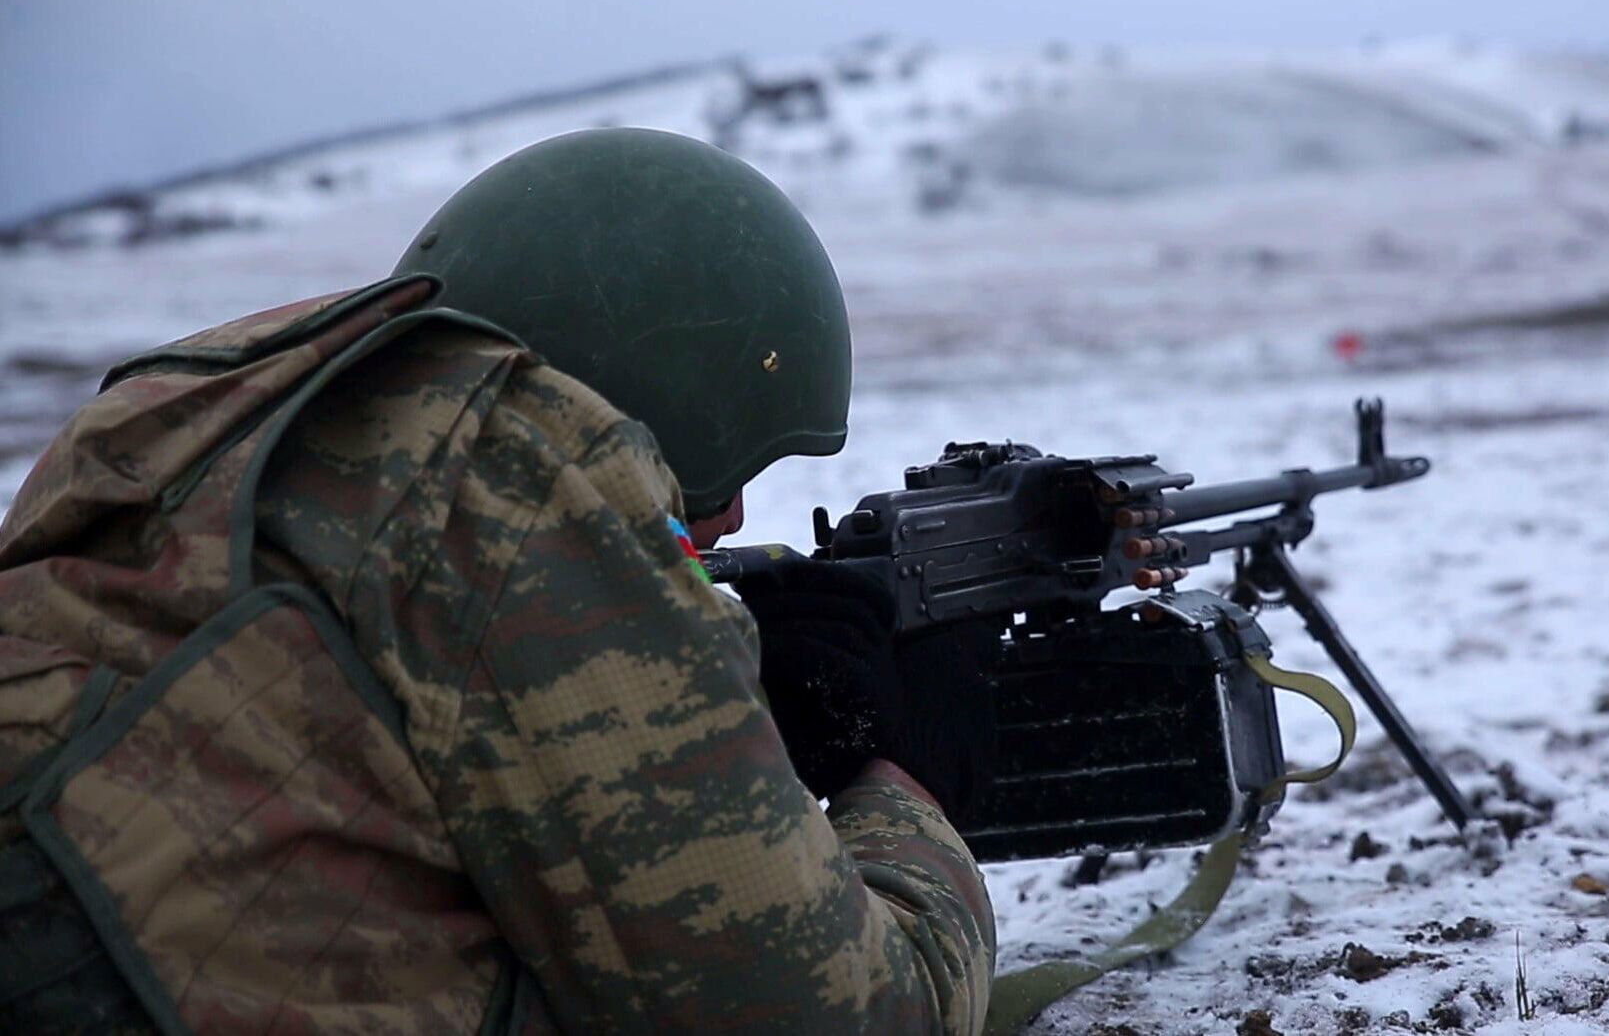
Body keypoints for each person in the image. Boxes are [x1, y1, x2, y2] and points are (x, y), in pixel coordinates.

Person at [0, 129, 996, 1033]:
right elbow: (847, 1017)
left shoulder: (198, 430)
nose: (732, 515)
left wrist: (716, 708)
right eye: (721, 475)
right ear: (638, 408)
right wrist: (905, 781)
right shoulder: (520, 492)